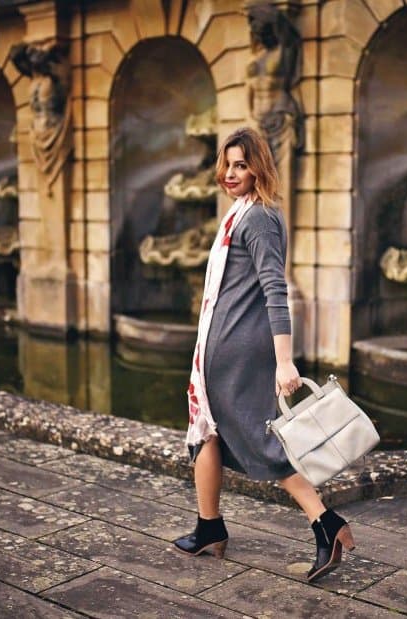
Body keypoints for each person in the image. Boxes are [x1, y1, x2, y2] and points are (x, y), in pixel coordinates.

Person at [173, 127, 355, 583]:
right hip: (226, 344)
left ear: (259, 168)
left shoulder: (257, 219)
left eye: (241, 165)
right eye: (227, 164)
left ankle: (325, 521)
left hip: (237, 349)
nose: (231, 173)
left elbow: (276, 290)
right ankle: (209, 526)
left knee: (255, 437)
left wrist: (285, 360)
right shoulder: (242, 214)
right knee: (206, 433)